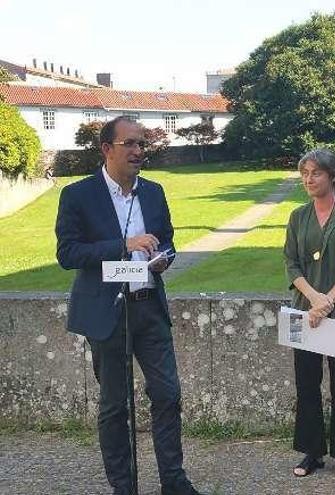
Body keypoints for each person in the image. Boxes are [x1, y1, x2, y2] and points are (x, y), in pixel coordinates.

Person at [55, 117, 202, 495]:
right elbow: (68, 253)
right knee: (115, 406)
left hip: (149, 306)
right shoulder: (78, 195)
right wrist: (124, 246)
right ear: (106, 149)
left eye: (142, 145)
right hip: (108, 312)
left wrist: (164, 256)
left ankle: (174, 482)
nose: (138, 151)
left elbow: (167, 241)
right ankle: (125, 487)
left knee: (168, 394)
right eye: (130, 144)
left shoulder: (153, 192)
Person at [283, 148, 335, 480]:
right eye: (304, 173)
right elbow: (291, 263)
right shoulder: (297, 216)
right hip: (304, 310)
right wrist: (314, 299)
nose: (308, 179)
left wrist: (327, 302)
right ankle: (311, 451)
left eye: (315, 173)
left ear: (333, 176)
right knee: (306, 384)